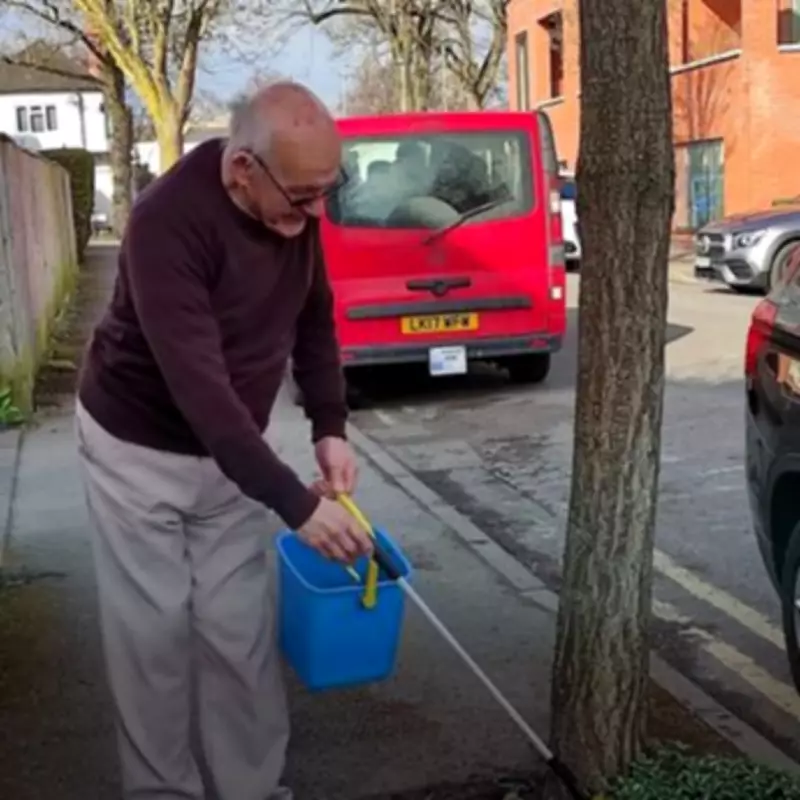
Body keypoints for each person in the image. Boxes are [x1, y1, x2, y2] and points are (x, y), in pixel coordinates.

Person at [74, 81, 373, 800]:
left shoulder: (294, 212)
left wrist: (328, 428)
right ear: (243, 167)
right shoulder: (164, 224)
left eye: (326, 192)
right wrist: (295, 507)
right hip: (135, 450)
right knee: (154, 641)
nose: (315, 213)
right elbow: (199, 391)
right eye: (303, 197)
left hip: (234, 454)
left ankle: (253, 789)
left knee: (238, 638)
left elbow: (314, 320)